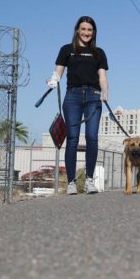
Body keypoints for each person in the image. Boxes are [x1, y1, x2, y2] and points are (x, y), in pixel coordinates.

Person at [46, 16, 109, 195]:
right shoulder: (67, 49)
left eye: (90, 30)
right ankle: (72, 182)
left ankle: (89, 180)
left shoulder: (99, 53)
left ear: (93, 32)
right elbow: (58, 72)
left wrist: (105, 93)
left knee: (92, 137)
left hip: (94, 96)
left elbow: (102, 76)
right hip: (72, 97)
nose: (86, 33)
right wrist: (52, 81)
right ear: (77, 30)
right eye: (83, 29)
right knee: (72, 138)